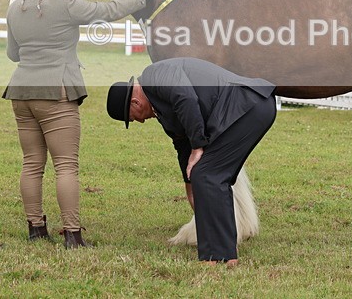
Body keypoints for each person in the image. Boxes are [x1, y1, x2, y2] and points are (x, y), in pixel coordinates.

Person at [4, 0, 163, 248]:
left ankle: (36, 228)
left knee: (31, 164)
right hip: (57, 92)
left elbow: (13, 54)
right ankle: (73, 235)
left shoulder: (16, 8)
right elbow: (109, 10)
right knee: (66, 166)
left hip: (21, 92)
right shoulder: (66, 4)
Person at [106, 58, 277, 267]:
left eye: (133, 118)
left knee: (208, 175)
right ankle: (225, 254)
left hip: (247, 106)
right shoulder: (160, 108)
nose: (140, 121)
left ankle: (216, 256)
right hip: (244, 110)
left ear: (135, 103)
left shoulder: (154, 75)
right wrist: (190, 182)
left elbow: (185, 98)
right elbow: (181, 146)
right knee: (205, 175)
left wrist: (198, 147)